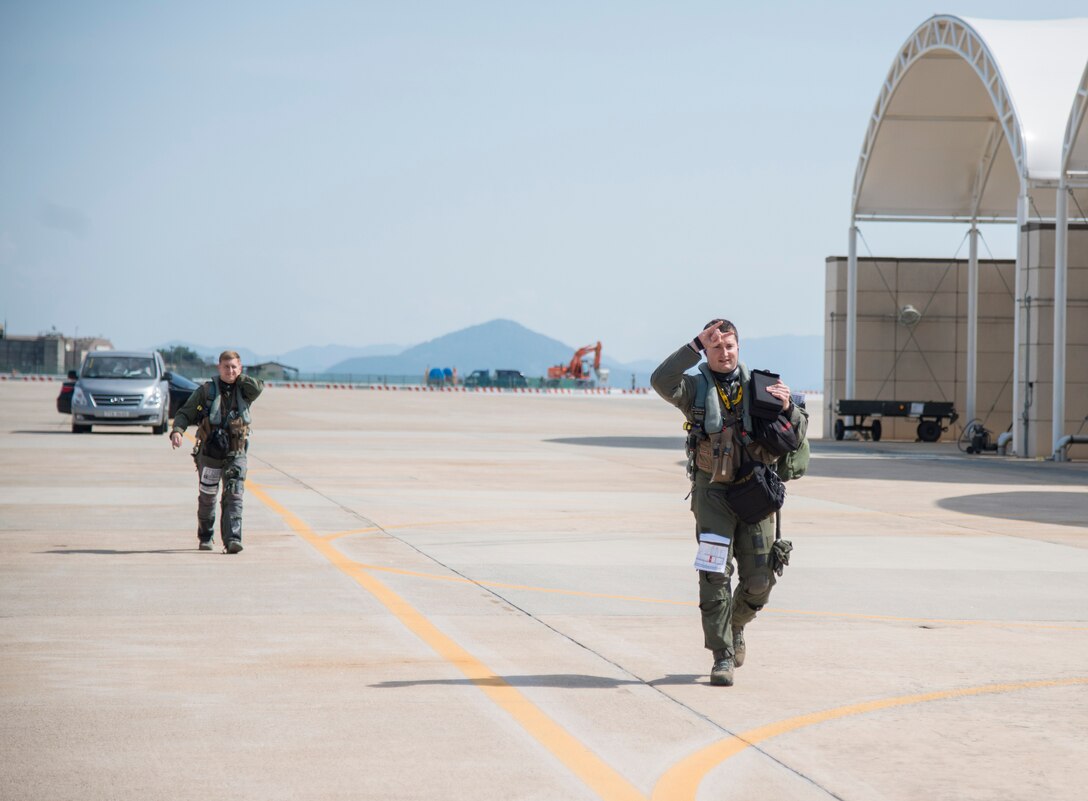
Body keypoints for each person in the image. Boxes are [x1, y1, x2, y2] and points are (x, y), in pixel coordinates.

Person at [651, 319, 807, 686]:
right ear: (707, 350)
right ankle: (722, 655)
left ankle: (736, 624)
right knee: (714, 574)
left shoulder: (764, 387)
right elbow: (661, 381)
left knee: (759, 580)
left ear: (740, 348)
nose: (724, 353)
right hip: (713, 493)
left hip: (756, 490)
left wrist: (787, 408)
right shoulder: (693, 388)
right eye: (715, 347)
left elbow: (796, 435)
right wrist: (692, 345)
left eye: (729, 346)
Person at [169, 351, 264, 554]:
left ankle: (233, 539)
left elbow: (258, 388)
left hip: (236, 453)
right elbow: (186, 412)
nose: (230, 371)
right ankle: (206, 535)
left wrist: (241, 378)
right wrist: (177, 431)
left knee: (234, 495)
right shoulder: (206, 390)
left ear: (240, 368)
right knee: (208, 496)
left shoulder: (245, 389)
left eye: (234, 367)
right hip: (210, 453)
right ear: (219, 368)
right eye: (226, 367)